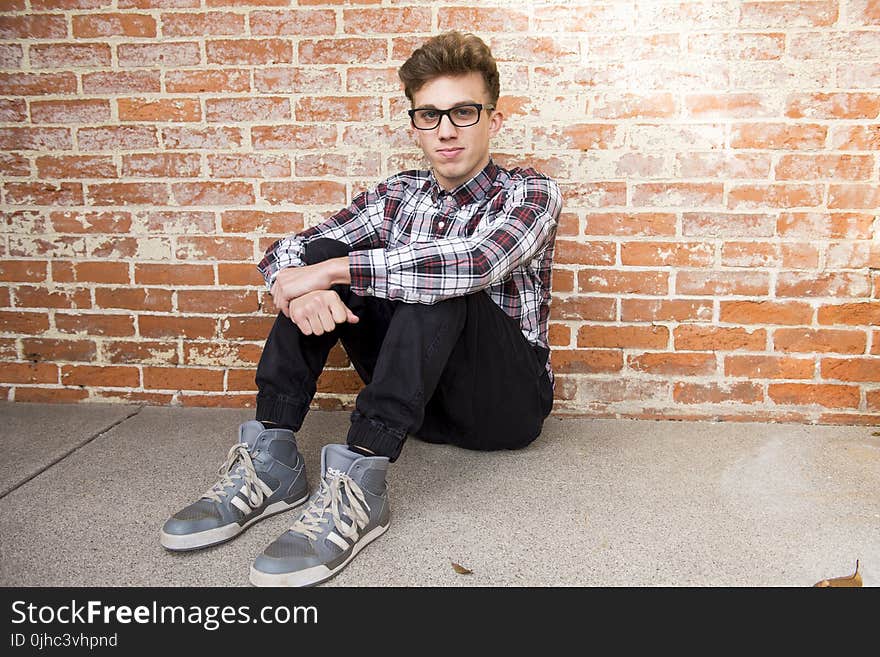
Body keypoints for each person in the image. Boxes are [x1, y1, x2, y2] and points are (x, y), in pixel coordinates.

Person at [160, 31, 562, 587]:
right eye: (430, 115)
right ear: (415, 125)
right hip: (420, 404)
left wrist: (332, 273)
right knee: (328, 253)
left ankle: (359, 484)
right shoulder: (394, 195)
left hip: (501, 405)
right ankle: (271, 460)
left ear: (494, 120)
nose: (446, 129)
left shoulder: (530, 192)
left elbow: (474, 262)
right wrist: (306, 283)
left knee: (428, 278)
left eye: (464, 112)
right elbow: (296, 249)